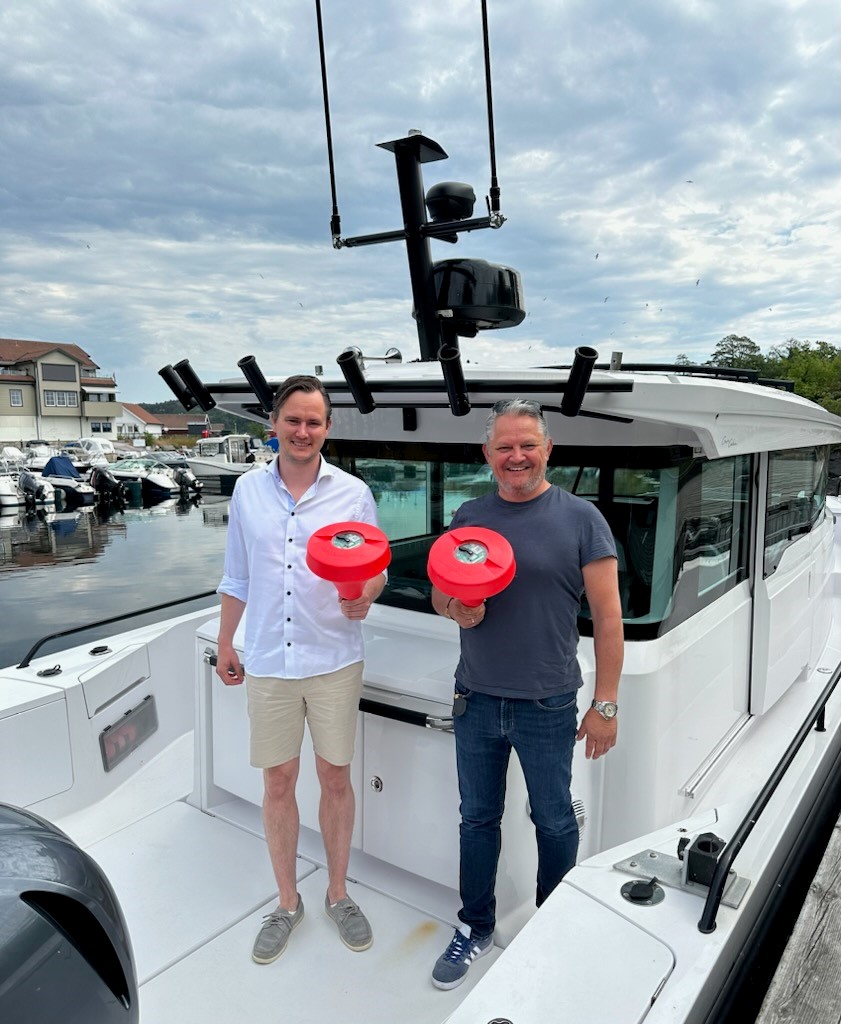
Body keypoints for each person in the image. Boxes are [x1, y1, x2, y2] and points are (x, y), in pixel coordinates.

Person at [429, 398, 624, 990]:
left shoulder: (582, 519)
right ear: (487, 453)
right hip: (475, 698)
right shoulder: (469, 515)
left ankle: (552, 927)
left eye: (527, 445)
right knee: (476, 818)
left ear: (547, 449)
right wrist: (456, 609)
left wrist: (606, 704)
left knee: (554, 819)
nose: (517, 456)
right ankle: (475, 926)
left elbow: (607, 617)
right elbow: (441, 593)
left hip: (548, 702)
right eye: (505, 447)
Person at [215, 374, 386, 965]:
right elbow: (237, 574)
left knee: (335, 778)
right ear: (274, 424)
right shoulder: (246, 491)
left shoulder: (353, 494)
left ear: (328, 428)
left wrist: (367, 595)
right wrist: (226, 641)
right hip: (268, 658)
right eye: (293, 420)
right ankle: (288, 903)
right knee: (277, 782)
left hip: (334, 657)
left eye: (314, 421)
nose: (303, 431)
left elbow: (376, 566)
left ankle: (338, 893)